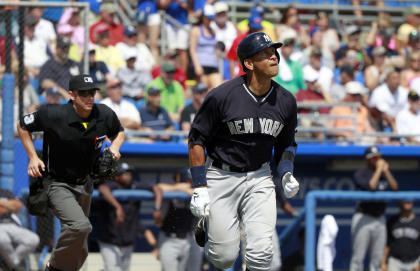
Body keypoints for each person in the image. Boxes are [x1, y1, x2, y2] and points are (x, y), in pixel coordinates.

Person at [188, 32, 300, 271]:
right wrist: (199, 185)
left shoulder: (286, 100)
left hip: (260, 176)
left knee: (262, 255)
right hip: (221, 175)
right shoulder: (222, 96)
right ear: (249, 63)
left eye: (274, 53)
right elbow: (197, 139)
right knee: (223, 257)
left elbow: (287, 143)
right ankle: (206, 225)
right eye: (266, 54)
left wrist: (286, 171)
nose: (274, 58)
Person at [17, 74, 125, 271]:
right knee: (80, 227)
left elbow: (119, 131)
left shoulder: (104, 114)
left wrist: (115, 147)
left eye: (92, 92)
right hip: (57, 183)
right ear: (72, 95)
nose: (89, 97)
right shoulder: (54, 114)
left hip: (85, 183)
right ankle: (54, 267)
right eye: (83, 93)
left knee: (80, 248)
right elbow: (23, 125)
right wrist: (33, 156)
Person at [96, 162, 163, 271]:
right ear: (117, 177)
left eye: (129, 173)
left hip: (127, 242)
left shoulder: (134, 186)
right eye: (124, 173)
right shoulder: (113, 185)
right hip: (109, 241)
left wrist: (157, 208)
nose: (128, 176)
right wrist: (118, 207)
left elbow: (156, 188)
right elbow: (102, 189)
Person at [350, 146, 399, 271]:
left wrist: (386, 172)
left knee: (377, 259)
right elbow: (371, 186)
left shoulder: (384, 173)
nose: (376, 160)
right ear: (367, 160)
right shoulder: (361, 173)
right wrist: (379, 170)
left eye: (378, 157)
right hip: (364, 217)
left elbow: (395, 188)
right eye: (373, 158)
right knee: (358, 259)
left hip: (380, 218)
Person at [0, 188, 40, 270]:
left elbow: (18, 205)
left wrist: (2, 204)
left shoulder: (5, 192)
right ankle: (14, 265)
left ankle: (10, 263)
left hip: (11, 225)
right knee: (2, 239)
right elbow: (4, 209)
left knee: (33, 239)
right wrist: (9, 205)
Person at [189, 4, 223, 90]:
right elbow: (192, 50)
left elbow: (215, 50)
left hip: (213, 65)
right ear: (203, 17)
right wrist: (197, 66)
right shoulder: (196, 30)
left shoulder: (213, 31)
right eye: (208, 18)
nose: (210, 20)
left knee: (218, 89)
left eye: (211, 18)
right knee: (204, 91)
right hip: (201, 65)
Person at [381, 200, 420, 271]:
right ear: (399, 203)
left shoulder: (418, 222)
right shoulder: (392, 221)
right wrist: (383, 263)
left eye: (409, 200)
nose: (407, 202)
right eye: (405, 200)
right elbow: (387, 244)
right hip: (396, 261)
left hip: (414, 261)